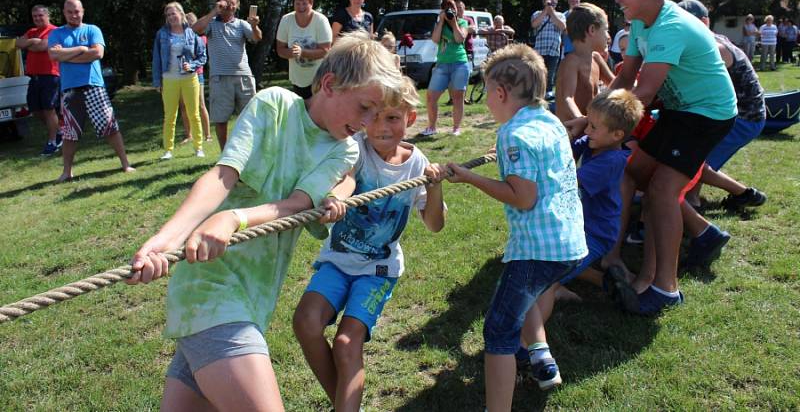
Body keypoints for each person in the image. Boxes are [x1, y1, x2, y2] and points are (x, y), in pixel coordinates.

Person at [125, 33, 405, 412]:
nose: (369, 122)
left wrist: (234, 218)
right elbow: (222, 176)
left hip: (253, 303)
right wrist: (165, 240)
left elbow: (296, 205)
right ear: (329, 85)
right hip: (210, 292)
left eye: (376, 113)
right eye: (365, 108)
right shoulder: (274, 105)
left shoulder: (344, 148)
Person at [293, 76, 446, 412]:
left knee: (347, 344)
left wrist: (435, 188)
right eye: (373, 116)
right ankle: (346, 402)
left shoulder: (417, 165)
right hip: (337, 260)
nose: (380, 127)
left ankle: (346, 405)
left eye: (391, 117)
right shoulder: (356, 147)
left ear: (409, 119)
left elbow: (434, 225)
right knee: (305, 321)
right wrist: (336, 197)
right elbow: (347, 177)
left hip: (378, 269)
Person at [446, 44, 585, 408]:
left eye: (488, 91)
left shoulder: (513, 134)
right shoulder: (550, 120)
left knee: (498, 331)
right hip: (568, 244)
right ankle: (537, 358)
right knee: (528, 300)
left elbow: (523, 197)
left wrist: (469, 178)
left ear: (501, 93)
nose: (488, 101)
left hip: (537, 249)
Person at [606, 0, 736, 314]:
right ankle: (652, 269)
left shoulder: (670, 26)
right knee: (635, 174)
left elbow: (643, 94)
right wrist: (593, 114)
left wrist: (604, 127)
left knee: (663, 189)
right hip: (680, 112)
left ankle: (666, 288)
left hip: (707, 115)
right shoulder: (639, 24)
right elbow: (624, 79)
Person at [517, 88, 642, 384]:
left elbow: (565, 184)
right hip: (579, 226)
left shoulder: (609, 162)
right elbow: (568, 146)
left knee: (544, 280)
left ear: (617, 135)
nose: (587, 129)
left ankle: (525, 348)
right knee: (550, 275)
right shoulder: (597, 143)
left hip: (595, 234)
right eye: (587, 123)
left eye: (593, 126)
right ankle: (562, 290)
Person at [677, 0, 767, 212]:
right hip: (729, 113)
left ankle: (741, 194)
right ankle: (701, 198)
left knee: (696, 159)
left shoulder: (714, 48)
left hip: (744, 117)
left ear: (705, 22)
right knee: (696, 155)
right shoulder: (703, 42)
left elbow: (705, 91)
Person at [47, 0, 135, 182]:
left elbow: (97, 53)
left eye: (77, 11)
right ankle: (67, 172)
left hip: (93, 85)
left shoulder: (92, 29)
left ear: (83, 11)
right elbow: (53, 55)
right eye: (70, 11)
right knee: (70, 133)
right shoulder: (57, 33)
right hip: (69, 90)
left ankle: (125, 164)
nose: (74, 14)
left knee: (110, 126)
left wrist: (67, 55)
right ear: (64, 13)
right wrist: (80, 49)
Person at [192, 0, 261, 151]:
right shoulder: (211, 25)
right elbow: (195, 29)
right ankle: (225, 155)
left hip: (243, 77)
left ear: (237, 5)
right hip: (220, 79)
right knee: (221, 120)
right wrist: (214, 12)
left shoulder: (242, 24)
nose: (229, 6)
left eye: (232, 3)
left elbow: (257, 38)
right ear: (218, 3)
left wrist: (255, 26)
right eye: (225, 3)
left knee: (250, 118)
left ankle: (250, 152)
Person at [152, 2, 207, 160]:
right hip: (169, 79)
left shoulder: (192, 32)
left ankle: (198, 148)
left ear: (181, 14)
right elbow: (156, 58)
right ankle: (168, 150)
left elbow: (202, 56)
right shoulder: (161, 34)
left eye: (173, 14)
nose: (171, 17)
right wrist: (157, 81)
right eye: (168, 15)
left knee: (194, 114)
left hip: (190, 78)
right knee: (169, 116)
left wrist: (192, 65)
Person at [555, 3, 615, 122]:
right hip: (570, 131)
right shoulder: (571, 62)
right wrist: (582, 121)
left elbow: (616, 84)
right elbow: (568, 98)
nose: (608, 36)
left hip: (588, 128)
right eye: (606, 30)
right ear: (592, 30)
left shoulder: (596, 58)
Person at [421, 0, 469, 137]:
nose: (450, 10)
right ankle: (431, 127)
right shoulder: (439, 23)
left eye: (452, 7)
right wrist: (441, 20)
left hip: (459, 63)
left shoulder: (462, 22)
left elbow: (460, 39)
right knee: (431, 97)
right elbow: (435, 40)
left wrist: (453, 22)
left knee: (458, 97)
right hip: (442, 64)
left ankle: (456, 128)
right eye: (446, 7)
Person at [15, 4, 60, 155]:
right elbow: (18, 44)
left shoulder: (54, 30)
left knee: (49, 109)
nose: (37, 18)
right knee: (35, 110)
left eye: (40, 15)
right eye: (35, 16)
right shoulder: (32, 31)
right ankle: (59, 132)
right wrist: (33, 41)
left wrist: (32, 43)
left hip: (50, 75)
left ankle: (53, 141)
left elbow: (43, 46)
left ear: (47, 16)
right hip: (33, 77)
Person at [276, 0, 333, 100]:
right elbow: (280, 50)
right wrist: (291, 52)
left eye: (304, 4)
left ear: (311, 4)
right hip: (297, 78)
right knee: (301, 112)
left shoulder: (321, 20)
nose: (301, 7)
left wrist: (302, 52)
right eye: (297, 4)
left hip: (319, 78)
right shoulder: (286, 20)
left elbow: (326, 51)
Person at [180, 12, 212, 144]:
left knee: (200, 104)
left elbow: (200, 57)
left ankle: (208, 135)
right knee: (183, 106)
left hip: (197, 74)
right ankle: (189, 135)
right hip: (182, 75)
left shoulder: (201, 38)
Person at [530, 0, 567, 97]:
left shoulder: (560, 15)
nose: (550, 2)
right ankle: (538, 91)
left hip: (554, 48)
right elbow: (534, 25)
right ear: (544, 1)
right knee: (539, 71)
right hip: (540, 48)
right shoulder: (537, 14)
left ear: (556, 2)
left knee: (550, 72)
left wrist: (551, 13)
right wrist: (545, 11)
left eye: (552, 0)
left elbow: (562, 27)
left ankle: (549, 90)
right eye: (548, 0)